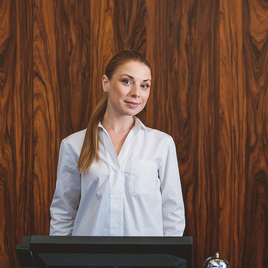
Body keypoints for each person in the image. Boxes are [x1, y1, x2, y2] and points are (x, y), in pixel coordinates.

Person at [49, 50, 185, 236]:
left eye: (144, 85)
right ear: (106, 83)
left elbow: (173, 215)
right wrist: (65, 264)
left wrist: (165, 265)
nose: (136, 93)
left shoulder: (162, 144)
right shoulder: (73, 145)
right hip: (90, 263)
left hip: (148, 264)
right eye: (127, 81)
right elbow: (63, 213)